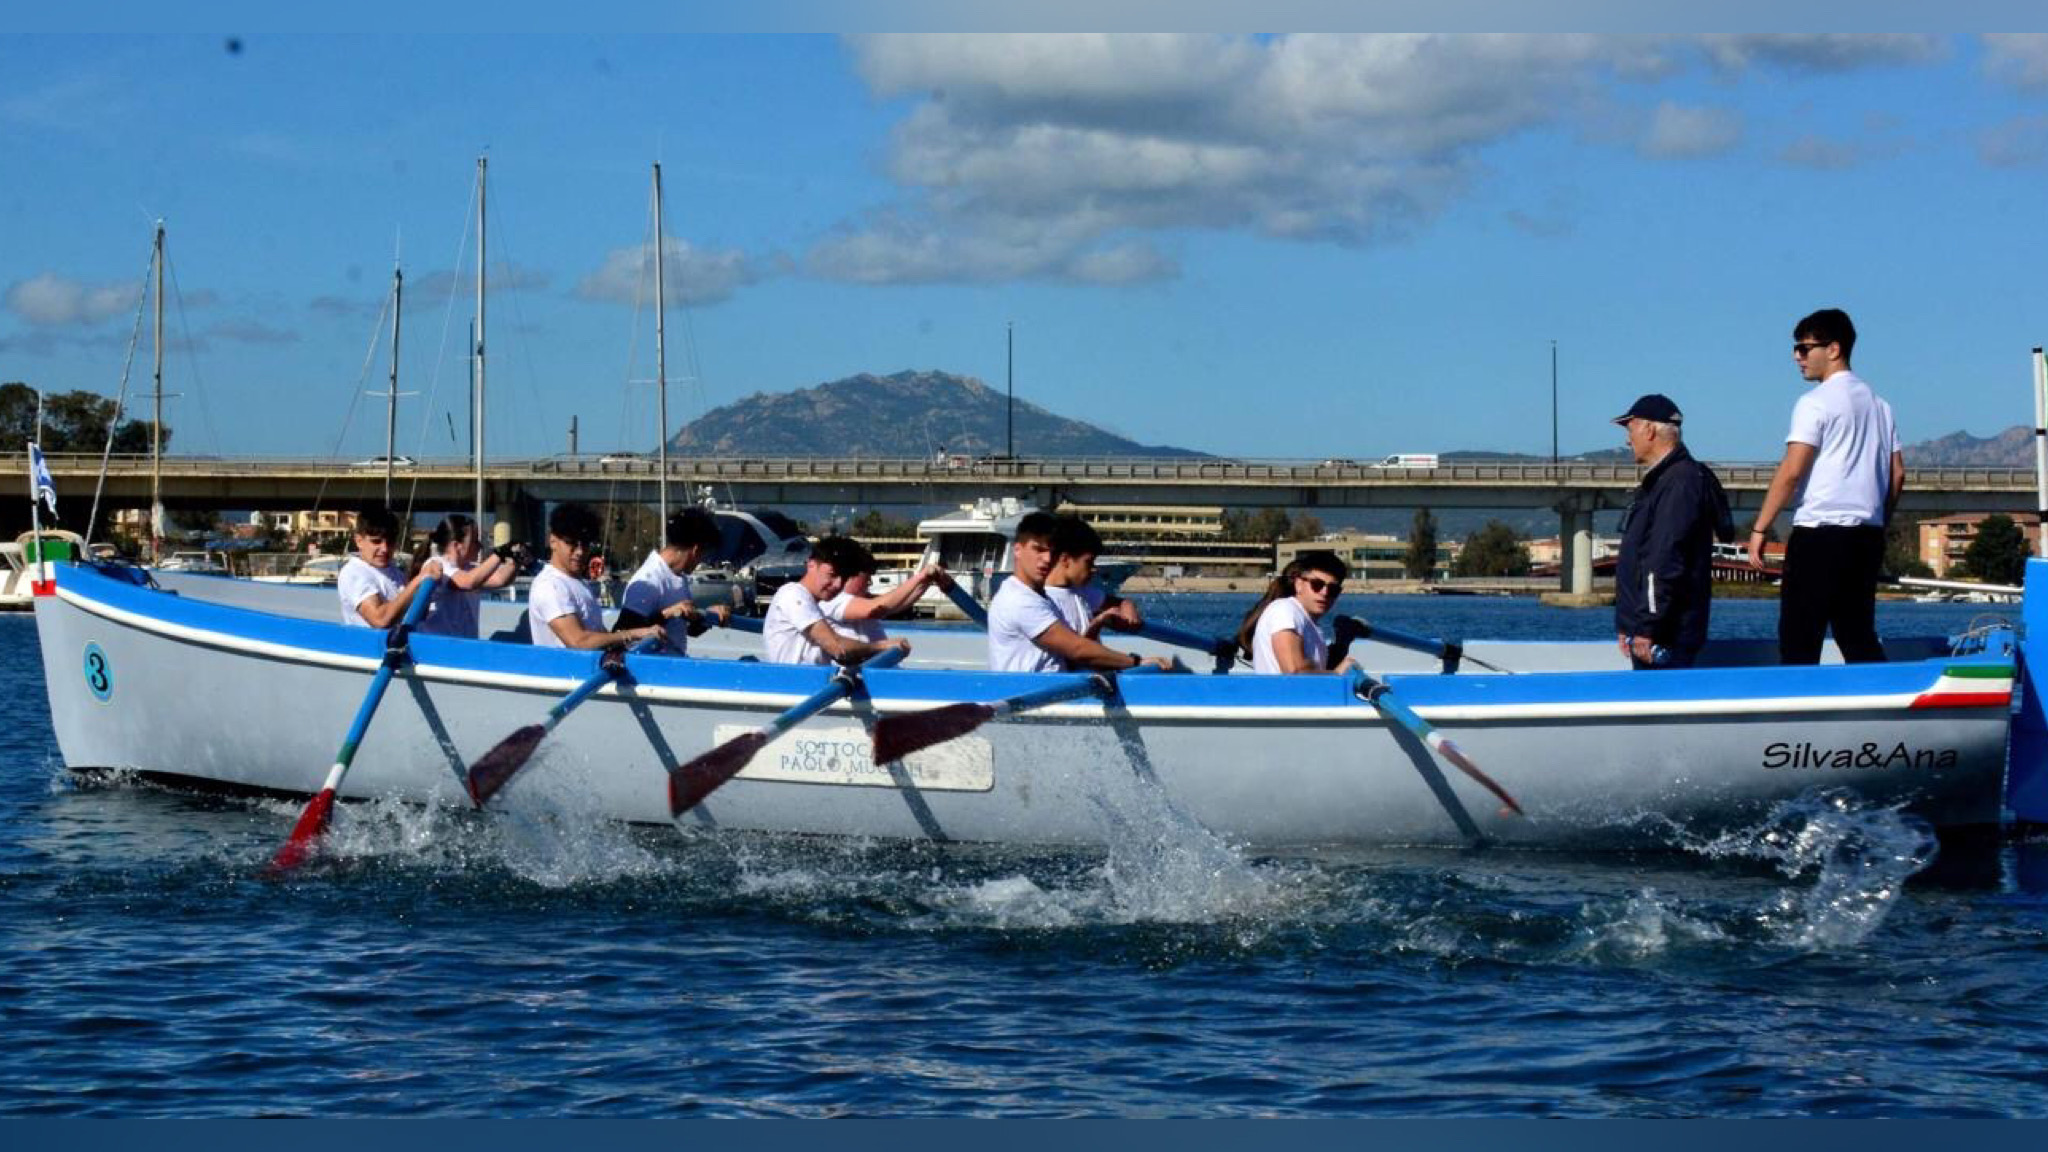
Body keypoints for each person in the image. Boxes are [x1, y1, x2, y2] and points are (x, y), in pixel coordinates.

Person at [1746, 308, 1903, 664]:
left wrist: (1760, 528)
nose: (1796, 357)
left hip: (1819, 536)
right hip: (1866, 536)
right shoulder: (1881, 406)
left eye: (1804, 348)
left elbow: (1792, 471)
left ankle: (1797, 714)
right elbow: (1897, 475)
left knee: (1800, 638)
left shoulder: (1814, 403)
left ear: (1833, 349)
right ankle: (1879, 709)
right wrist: (1880, 520)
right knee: (1857, 634)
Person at [1610, 394, 1734, 670]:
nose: (1627, 440)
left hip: (1665, 633)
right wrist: (1628, 623)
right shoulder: (1664, 481)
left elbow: (1664, 558)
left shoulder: (1680, 483)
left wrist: (1647, 625)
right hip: (1653, 629)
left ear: (1649, 430)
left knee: (1654, 707)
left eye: (1630, 429)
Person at [986, 511, 1178, 674]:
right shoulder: (1019, 600)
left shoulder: (1039, 596)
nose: (1045, 559)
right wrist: (1136, 662)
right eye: (1038, 550)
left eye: (1050, 552)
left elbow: (1078, 651)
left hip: (1054, 696)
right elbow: (1077, 650)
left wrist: (1122, 607)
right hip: (1027, 702)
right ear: (1017, 550)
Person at [528, 502, 665, 650]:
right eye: (572, 543)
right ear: (553, 541)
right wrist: (634, 634)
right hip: (565, 673)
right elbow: (578, 642)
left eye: (585, 544)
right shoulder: (550, 586)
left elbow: (597, 635)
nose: (580, 552)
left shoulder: (577, 582)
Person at [761, 536, 911, 666]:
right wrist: (881, 646)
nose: (838, 584)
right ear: (811, 565)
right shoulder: (792, 594)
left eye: (844, 578)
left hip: (814, 681)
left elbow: (841, 653)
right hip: (795, 685)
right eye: (832, 574)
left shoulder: (816, 605)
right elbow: (838, 647)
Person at [613, 506, 729, 654]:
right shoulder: (648, 581)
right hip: (650, 671)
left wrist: (708, 615)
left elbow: (686, 630)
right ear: (696, 550)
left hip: (672, 665)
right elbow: (624, 632)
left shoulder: (678, 577)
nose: (701, 561)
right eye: (703, 555)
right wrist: (667, 613)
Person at [1234, 550, 1358, 674]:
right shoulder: (1285, 611)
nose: (1324, 593)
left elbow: (1316, 671)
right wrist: (1337, 674)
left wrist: (1342, 642)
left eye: (1333, 589)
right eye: (1317, 584)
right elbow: (1294, 671)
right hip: (1281, 694)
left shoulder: (1305, 621)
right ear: (1299, 584)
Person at [411, 513, 518, 639]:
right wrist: (500, 553)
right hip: (439, 648)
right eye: (474, 541)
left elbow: (500, 579)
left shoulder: (469, 569)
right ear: (457, 546)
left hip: (463, 647)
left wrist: (515, 560)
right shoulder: (437, 565)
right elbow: (468, 582)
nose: (479, 546)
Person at [337, 505, 442, 628]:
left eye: (390, 542)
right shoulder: (353, 573)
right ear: (359, 541)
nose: (385, 549)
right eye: (376, 541)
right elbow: (379, 620)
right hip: (369, 646)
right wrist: (419, 579)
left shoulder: (395, 572)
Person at [1042, 514, 1143, 640]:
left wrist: (1128, 606)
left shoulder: (1082, 592)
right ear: (1065, 559)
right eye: (1088, 562)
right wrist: (1098, 622)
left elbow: (1117, 602)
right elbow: (1073, 652)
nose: (1094, 569)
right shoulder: (1042, 600)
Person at [820, 552, 953, 645]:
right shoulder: (832, 600)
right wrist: (919, 577)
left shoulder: (864, 600)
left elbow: (897, 605)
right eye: (866, 578)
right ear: (850, 575)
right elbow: (876, 608)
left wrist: (927, 581)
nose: (869, 583)